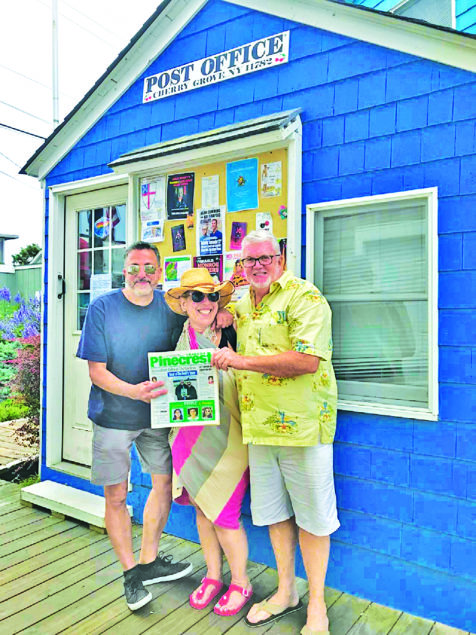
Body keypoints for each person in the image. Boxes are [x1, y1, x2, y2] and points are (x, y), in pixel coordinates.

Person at [212, 230, 339, 635]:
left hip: (304, 427)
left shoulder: (305, 297)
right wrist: (221, 308)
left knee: (314, 519)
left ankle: (317, 605)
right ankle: (286, 592)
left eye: (266, 257)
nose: (258, 266)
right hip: (259, 427)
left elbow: (306, 360)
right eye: (249, 261)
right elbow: (210, 300)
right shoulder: (244, 301)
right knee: (274, 515)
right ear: (241, 265)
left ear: (281, 258)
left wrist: (239, 361)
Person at [76, 241, 195, 612]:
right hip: (113, 417)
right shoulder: (102, 309)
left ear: (159, 273)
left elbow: (199, 321)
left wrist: (222, 316)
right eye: (134, 267)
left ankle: (149, 561)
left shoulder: (171, 308)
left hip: (158, 418)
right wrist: (133, 392)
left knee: (163, 484)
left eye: (148, 267)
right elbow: (96, 372)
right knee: (116, 496)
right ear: (123, 272)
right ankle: (130, 573)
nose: (141, 274)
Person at [165, 268, 252, 617]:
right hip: (188, 437)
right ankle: (214, 576)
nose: (205, 303)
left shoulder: (232, 328)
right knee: (202, 510)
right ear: (184, 302)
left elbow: (260, 312)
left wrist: (232, 315)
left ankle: (241, 582)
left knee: (226, 515)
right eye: (197, 296)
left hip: (228, 437)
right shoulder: (181, 336)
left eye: (212, 296)